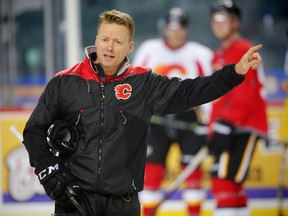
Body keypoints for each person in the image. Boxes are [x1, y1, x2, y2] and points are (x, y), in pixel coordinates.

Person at [22, 8, 263, 216]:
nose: (109, 47)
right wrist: (49, 171)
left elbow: (191, 91)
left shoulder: (143, 83)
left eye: (118, 42)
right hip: (74, 200)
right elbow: (34, 130)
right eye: (105, 39)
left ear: (130, 46)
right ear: (96, 39)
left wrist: (235, 73)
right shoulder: (65, 82)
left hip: (123, 205)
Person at [132, 7, 212, 216]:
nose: (175, 32)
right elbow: (136, 84)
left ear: (186, 29)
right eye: (171, 27)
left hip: (190, 120)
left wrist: (209, 121)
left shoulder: (201, 54)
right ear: (165, 28)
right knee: (152, 173)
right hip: (157, 119)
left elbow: (212, 89)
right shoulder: (150, 49)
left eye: (180, 28)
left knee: (192, 175)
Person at [208, 1, 268, 216]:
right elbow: (217, 96)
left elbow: (248, 94)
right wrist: (212, 127)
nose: (218, 24)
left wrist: (226, 122)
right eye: (215, 19)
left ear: (236, 22)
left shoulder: (244, 50)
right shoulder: (218, 54)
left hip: (243, 126)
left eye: (223, 18)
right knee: (230, 186)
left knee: (224, 181)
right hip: (225, 126)